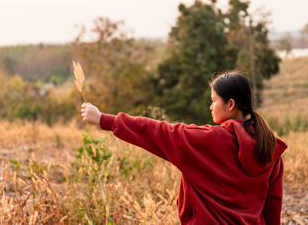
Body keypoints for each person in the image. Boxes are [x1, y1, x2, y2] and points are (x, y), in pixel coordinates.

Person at [81, 71, 287, 225]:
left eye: (213, 100)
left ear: (231, 104)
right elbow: (273, 205)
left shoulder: (209, 140)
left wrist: (103, 119)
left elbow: (156, 131)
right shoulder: (269, 147)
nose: (210, 106)